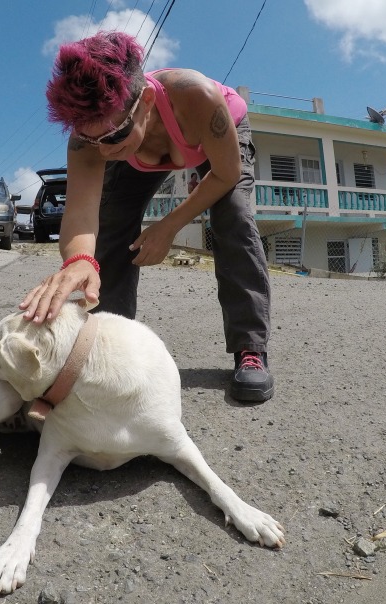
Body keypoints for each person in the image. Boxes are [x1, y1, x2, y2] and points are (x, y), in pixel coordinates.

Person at [19, 31, 273, 402]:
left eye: (112, 136)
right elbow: (82, 214)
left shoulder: (197, 95)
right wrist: (78, 260)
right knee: (112, 223)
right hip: (145, 147)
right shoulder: (92, 139)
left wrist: (167, 228)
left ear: (147, 100)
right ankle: (108, 345)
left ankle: (251, 349)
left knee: (232, 214)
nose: (103, 152)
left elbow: (226, 174)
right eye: (92, 142)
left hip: (217, 142)